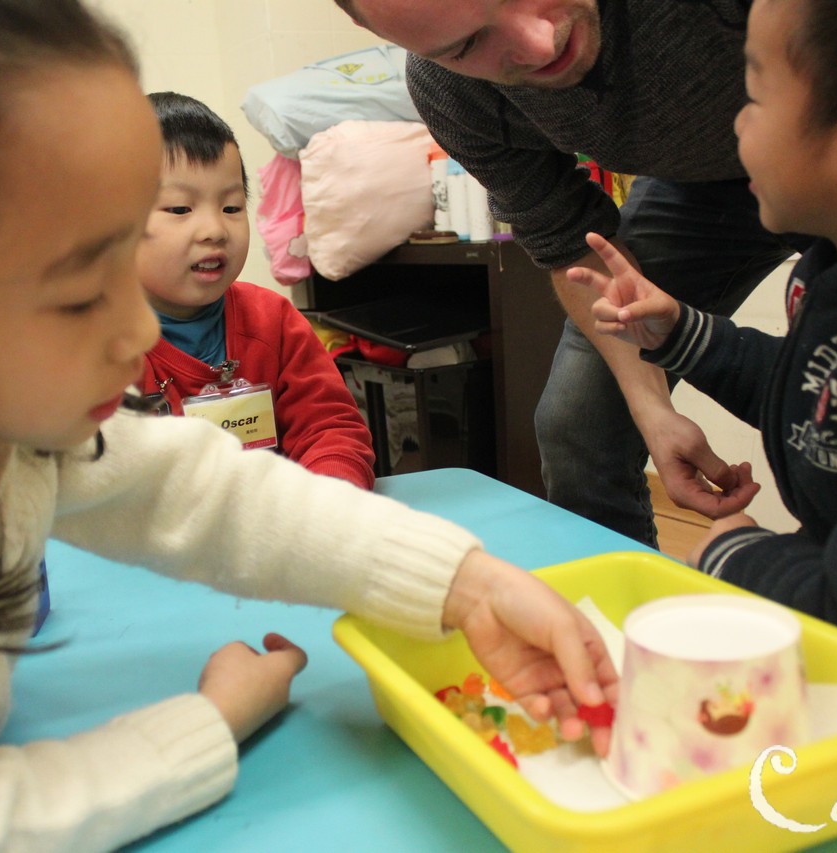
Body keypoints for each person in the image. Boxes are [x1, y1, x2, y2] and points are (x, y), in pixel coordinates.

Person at [0, 0, 619, 849]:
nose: (138, 333)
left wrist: (467, 582)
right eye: (82, 294)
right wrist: (205, 724)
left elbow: (195, 488)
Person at [334, 0, 803, 546]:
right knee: (580, 428)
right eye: (466, 46)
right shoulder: (452, 93)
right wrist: (651, 409)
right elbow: (568, 239)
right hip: (697, 184)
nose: (540, 43)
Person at [569, 0, 837, 663]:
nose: (735, 120)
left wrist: (735, 556)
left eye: (756, 95)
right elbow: (825, 395)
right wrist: (682, 334)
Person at [138, 92, 376, 489]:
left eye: (231, 208)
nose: (214, 230)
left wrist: (330, 497)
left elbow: (330, 429)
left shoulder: (272, 321)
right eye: (180, 209)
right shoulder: (92, 344)